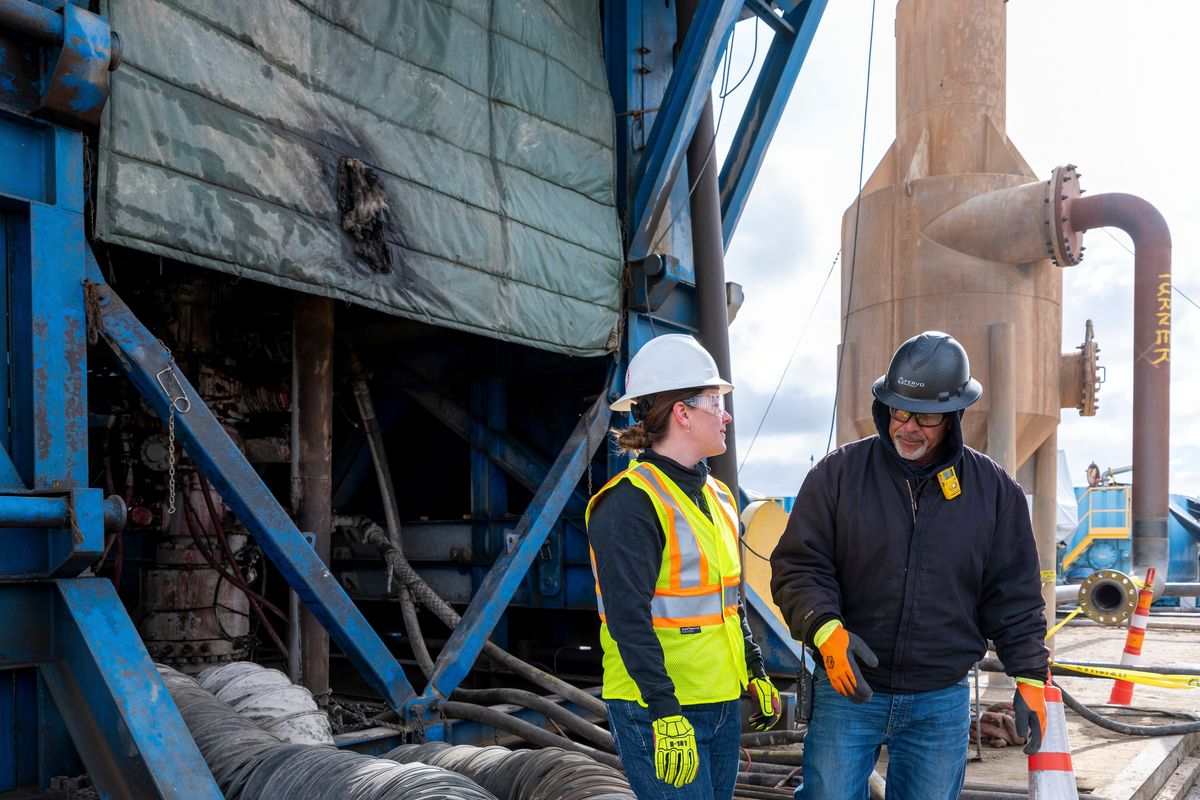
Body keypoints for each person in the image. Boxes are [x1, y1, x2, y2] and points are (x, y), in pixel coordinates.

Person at [770, 331, 1050, 800]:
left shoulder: (995, 492)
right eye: (899, 411)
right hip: (847, 686)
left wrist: (1030, 674)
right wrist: (824, 630)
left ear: (955, 416)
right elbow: (799, 566)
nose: (909, 427)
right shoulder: (837, 475)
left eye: (926, 416)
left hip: (940, 698)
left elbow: (1014, 594)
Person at [586, 334, 782, 798]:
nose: (726, 415)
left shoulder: (719, 496)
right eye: (716, 401)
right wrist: (664, 711)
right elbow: (627, 620)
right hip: (658, 708)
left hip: (718, 699)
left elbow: (727, 600)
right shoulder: (630, 503)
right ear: (682, 413)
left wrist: (754, 668)